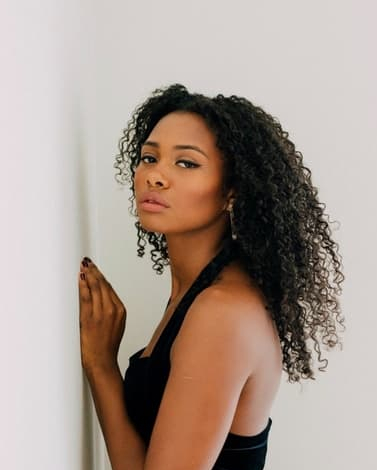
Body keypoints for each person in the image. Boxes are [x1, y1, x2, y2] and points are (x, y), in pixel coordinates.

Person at [78, 84, 345, 470]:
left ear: (231, 192)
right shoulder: (201, 289)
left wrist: (102, 366)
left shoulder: (221, 313)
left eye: (186, 163)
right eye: (149, 157)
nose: (156, 175)